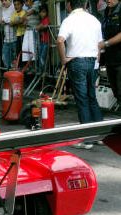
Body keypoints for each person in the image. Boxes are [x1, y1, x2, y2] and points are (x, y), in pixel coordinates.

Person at [57, 0, 103, 149]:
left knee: (82, 99)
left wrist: (63, 59)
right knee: (91, 97)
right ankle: (99, 135)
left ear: (69, 5)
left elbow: (60, 40)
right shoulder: (94, 20)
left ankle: (87, 139)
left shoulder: (69, 20)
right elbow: (99, 44)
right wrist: (97, 61)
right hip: (92, 61)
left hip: (77, 61)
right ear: (85, 5)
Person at [99, 0, 121, 109]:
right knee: (116, 92)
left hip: (120, 59)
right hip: (110, 59)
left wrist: (105, 43)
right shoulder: (107, 11)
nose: (108, 0)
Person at [36, 4, 50, 73]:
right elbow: (38, 27)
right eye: (41, 12)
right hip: (42, 41)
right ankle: (41, 71)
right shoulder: (42, 20)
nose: (42, 13)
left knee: (42, 58)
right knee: (40, 57)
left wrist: (40, 26)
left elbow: (45, 26)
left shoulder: (46, 19)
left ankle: (44, 72)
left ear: (46, 12)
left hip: (46, 42)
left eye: (44, 12)